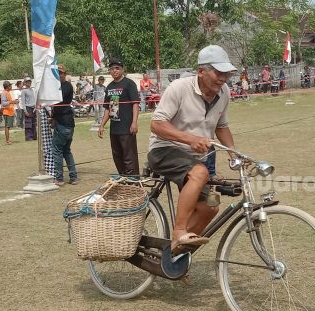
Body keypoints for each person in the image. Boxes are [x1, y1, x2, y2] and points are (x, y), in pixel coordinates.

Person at [148, 44, 237, 254]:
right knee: (200, 172)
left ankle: (175, 254)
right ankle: (179, 231)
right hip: (164, 150)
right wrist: (189, 139)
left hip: (193, 158)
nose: (223, 78)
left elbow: (221, 126)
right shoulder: (179, 88)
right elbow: (157, 124)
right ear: (201, 71)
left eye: (227, 73)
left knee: (209, 208)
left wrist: (234, 154)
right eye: (218, 72)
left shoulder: (224, 93)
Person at [97, 57, 140, 175]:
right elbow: (107, 108)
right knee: (117, 155)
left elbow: (135, 104)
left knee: (129, 155)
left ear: (122, 69)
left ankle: (133, 180)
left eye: (117, 68)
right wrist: (102, 125)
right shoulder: (109, 86)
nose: (114, 71)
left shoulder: (129, 84)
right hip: (114, 127)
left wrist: (134, 122)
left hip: (126, 127)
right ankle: (123, 178)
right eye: (112, 69)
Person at [51, 64, 78, 186]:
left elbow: (58, 99)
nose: (59, 74)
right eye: (57, 72)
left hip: (64, 123)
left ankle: (59, 178)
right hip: (64, 122)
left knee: (57, 151)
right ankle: (73, 177)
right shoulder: (59, 86)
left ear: (64, 74)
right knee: (66, 151)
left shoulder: (66, 86)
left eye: (60, 73)